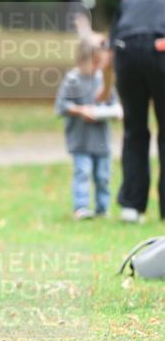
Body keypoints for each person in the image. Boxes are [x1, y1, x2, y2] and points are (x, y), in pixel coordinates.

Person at [108, 0, 165, 222]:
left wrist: (105, 89)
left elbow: (111, 46)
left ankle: (132, 206)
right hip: (161, 51)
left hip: (126, 55)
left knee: (134, 130)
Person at [55, 37, 123, 220]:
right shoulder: (72, 80)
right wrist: (80, 110)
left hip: (101, 140)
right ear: (81, 60)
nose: (96, 67)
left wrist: (114, 112)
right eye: (93, 63)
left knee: (103, 176)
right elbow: (61, 106)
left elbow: (114, 103)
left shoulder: (103, 79)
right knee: (83, 173)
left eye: (99, 63)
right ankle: (81, 207)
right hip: (81, 140)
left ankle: (102, 208)